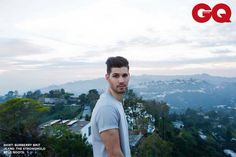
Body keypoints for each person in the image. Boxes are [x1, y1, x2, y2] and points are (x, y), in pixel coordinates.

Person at [91, 56, 131, 157]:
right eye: (116, 76)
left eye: (124, 75)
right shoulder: (107, 108)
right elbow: (114, 153)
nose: (121, 80)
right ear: (107, 77)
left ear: (129, 76)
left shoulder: (115, 102)